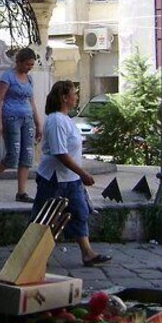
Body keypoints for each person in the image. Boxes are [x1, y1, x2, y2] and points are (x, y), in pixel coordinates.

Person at [31, 80, 110, 266]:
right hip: (55, 179)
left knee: (79, 212)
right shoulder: (56, 120)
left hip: (70, 179)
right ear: (64, 98)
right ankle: (32, 255)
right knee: (43, 218)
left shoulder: (66, 119)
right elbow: (60, 153)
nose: (76, 96)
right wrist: (83, 173)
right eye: (74, 93)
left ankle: (87, 252)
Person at [0, 48, 43, 203]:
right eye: (27, 64)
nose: (30, 67)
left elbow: (32, 102)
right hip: (11, 118)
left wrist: (38, 123)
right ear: (19, 62)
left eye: (32, 65)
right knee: (13, 155)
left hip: (27, 119)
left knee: (27, 155)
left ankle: (21, 192)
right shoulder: (7, 77)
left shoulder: (29, 79)